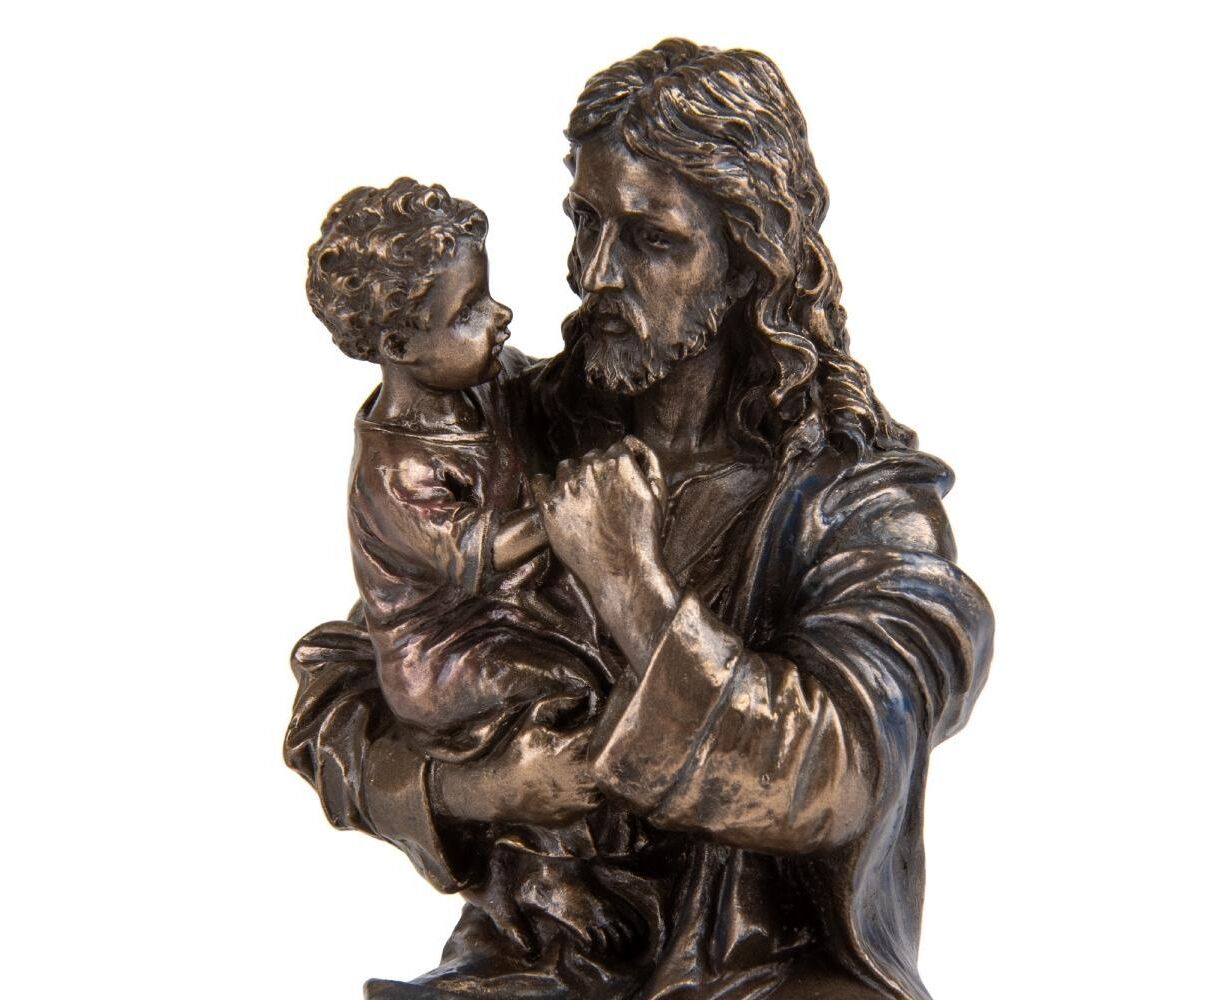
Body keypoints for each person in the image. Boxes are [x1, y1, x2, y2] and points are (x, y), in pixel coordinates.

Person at [286, 39, 994, 1000]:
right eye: (586, 222)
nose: (593, 274)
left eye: (652, 240)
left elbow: (840, 773)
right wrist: (469, 788)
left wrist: (628, 579)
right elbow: (359, 673)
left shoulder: (858, 508)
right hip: (537, 960)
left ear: (749, 259)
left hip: (757, 972)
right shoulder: (512, 429)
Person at [304, 177, 649, 962]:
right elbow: (475, 554)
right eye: (469, 311)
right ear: (400, 346)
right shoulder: (399, 466)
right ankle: (543, 874)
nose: (499, 316)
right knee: (565, 692)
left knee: (597, 664)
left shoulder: (481, 381)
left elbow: (548, 387)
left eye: (487, 297)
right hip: (441, 653)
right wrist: (567, 515)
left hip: (508, 613)